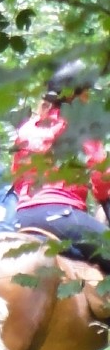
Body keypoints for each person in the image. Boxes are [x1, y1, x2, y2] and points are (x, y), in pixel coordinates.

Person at [10, 61, 110, 262]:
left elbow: (18, 178)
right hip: (61, 215)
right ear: (74, 96)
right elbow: (101, 177)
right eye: (86, 92)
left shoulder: (27, 128)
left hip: (23, 216)